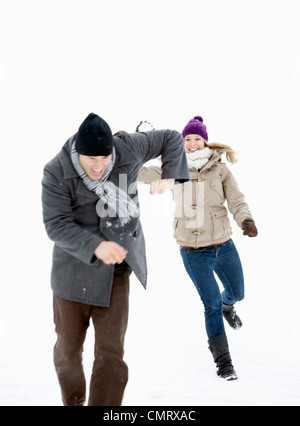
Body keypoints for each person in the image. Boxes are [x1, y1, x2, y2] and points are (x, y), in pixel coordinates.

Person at [42, 113, 190, 406]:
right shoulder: (56, 171)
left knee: (111, 353)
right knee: (68, 352)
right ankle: (73, 402)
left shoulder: (128, 149)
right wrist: (95, 246)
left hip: (116, 268)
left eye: (105, 158)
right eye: (90, 160)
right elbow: (56, 224)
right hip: (72, 269)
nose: (99, 166)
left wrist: (170, 172)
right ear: (77, 154)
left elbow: (171, 137)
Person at [138, 116, 258, 381]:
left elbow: (237, 200)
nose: (191, 144)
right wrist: (141, 142)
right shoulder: (170, 167)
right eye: (187, 139)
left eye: (196, 139)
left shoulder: (221, 170)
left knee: (237, 293)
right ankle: (224, 362)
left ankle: (231, 307)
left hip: (224, 244)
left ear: (204, 140)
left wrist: (245, 220)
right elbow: (137, 171)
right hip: (193, 250)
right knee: (211, 304)